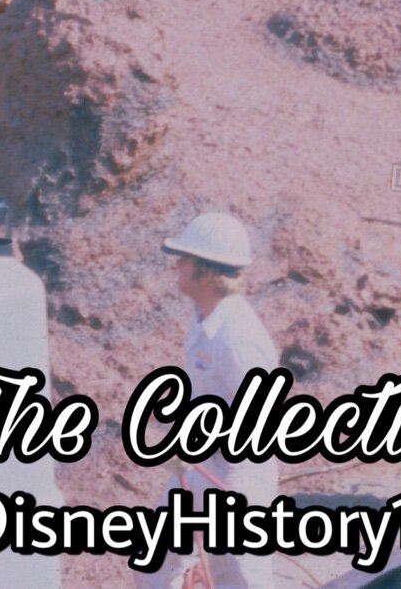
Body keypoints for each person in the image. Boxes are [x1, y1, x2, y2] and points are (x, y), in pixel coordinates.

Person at [133, 212, 282, 589]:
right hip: (199, 463)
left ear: (205, 272)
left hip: (236, 474)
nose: (177, 267)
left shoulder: (238, 336)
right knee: (154, 562)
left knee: (240, 578)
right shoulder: (203, 317)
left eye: (185, 260)